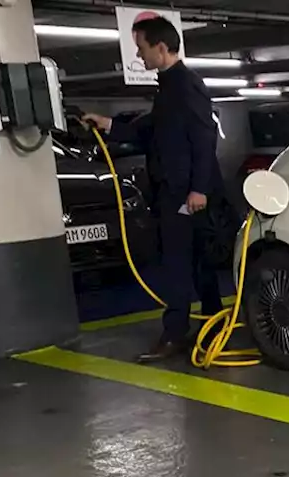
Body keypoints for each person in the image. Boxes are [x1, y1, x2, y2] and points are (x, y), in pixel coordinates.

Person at [82, 15, 224, 363]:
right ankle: (212, 326)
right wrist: (110, 124)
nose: (140, 57)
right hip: (180, 190)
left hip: (183, 193)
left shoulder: (185, 85)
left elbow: (204, 138)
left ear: (161, 48)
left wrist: (198, 189)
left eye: (142, 49)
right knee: (196, 261)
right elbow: (153, 128)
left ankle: (177, 334)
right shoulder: (170, 88)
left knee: (176, 263)